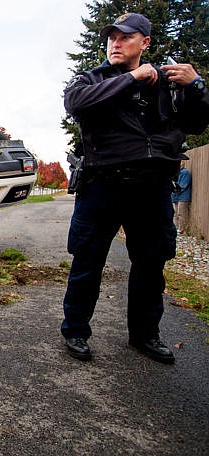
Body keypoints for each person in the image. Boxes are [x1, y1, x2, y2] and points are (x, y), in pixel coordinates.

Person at [61, 12, 209, 364]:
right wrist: (131, 79)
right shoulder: (93, 79)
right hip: (102, 185)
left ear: (145, 43)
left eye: (126, 37)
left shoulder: (169, 82)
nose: (115, 42)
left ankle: (145, 335)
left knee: (150, 263)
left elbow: (196, 122)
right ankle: (76, 331)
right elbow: (75, 103)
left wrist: (197, 85)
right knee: (87, 261)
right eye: (111, 37)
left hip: (152, 187)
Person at [171, 163, 192, 234]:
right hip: (174, 196)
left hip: (183, 196)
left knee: (181, 213)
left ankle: (182, 230)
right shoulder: (174, 173)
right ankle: (176, 228)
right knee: (175, 213)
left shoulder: (185, 173)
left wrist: (175, 190)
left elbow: (183, 185)